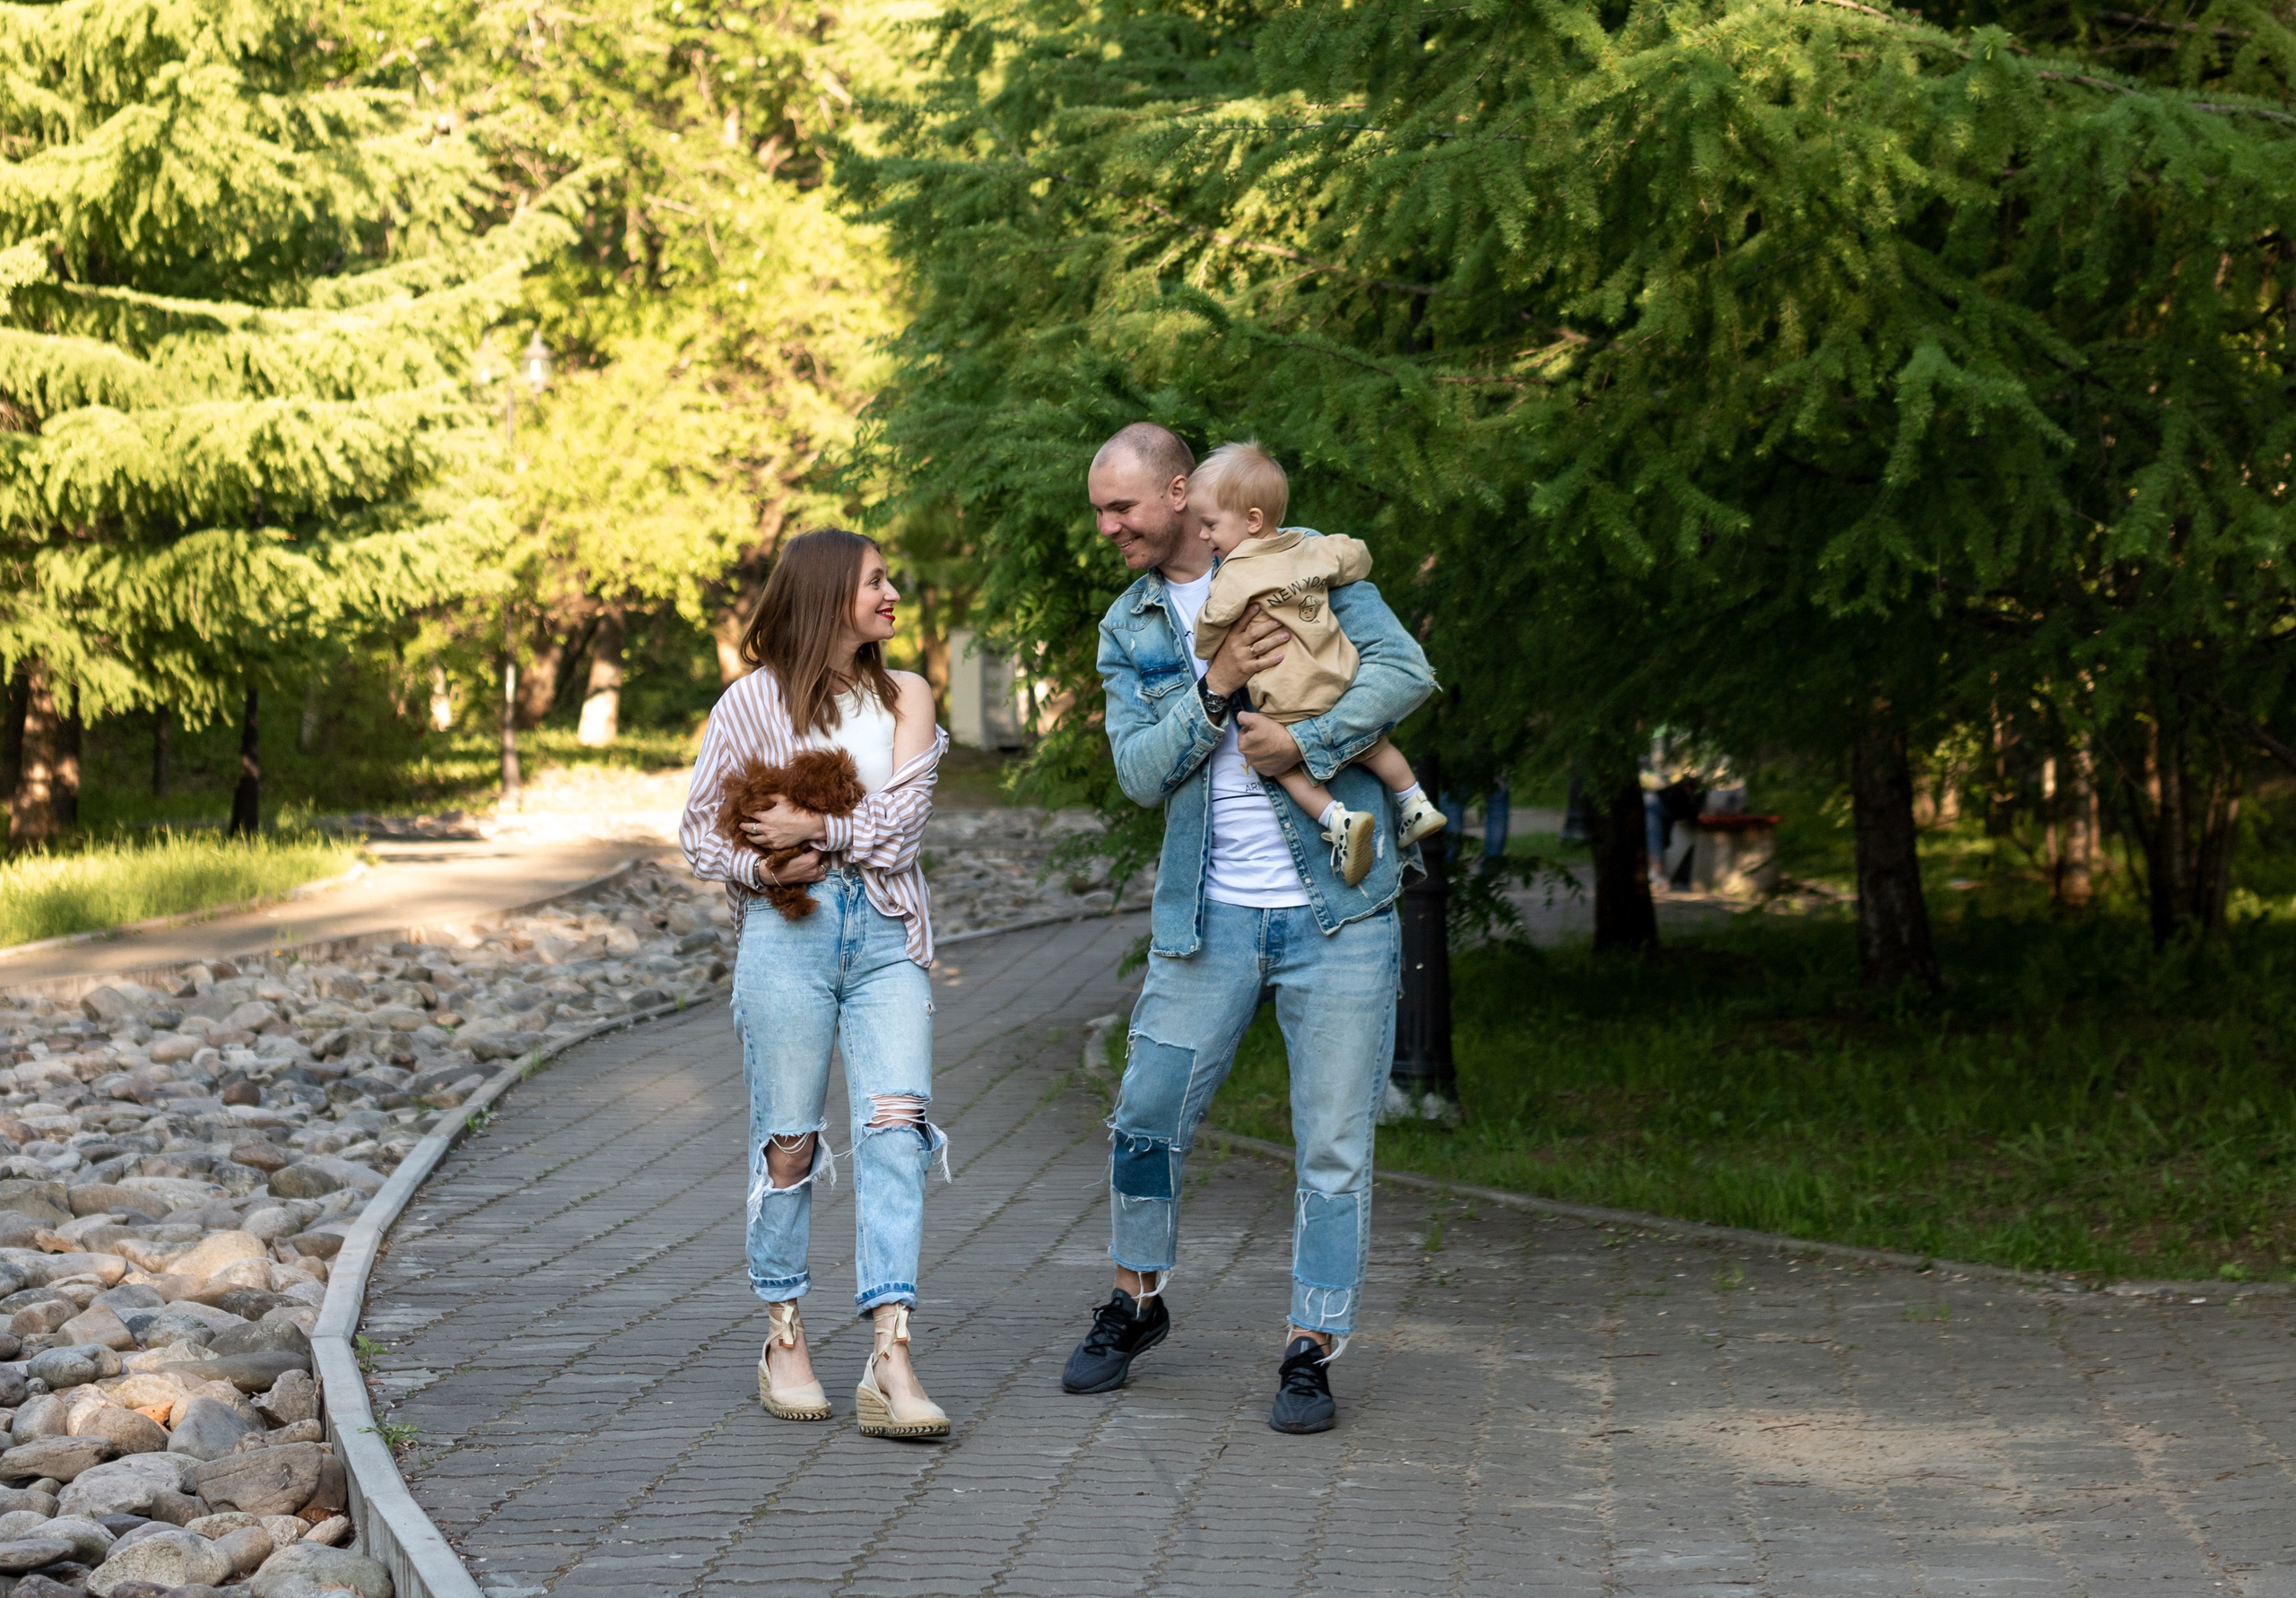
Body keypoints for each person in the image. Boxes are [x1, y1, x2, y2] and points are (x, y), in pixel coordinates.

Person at [1063, 421, 1436, 1434]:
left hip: (1339, 913)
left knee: (1333, 1148)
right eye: (1101, 508)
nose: (1108, 527)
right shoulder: (1132, 625)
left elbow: (1405, 672)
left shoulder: (1307, 567)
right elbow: (1142, 772)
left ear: (1181, 493)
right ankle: (1135, 1302)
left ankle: (1311, 1350)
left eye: (1121, 507)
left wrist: (1304, 741)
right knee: (1145, 1116)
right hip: (1207, 919)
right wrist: (1217, 683)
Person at [680, 527, 954, 1442]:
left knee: (896, 1128)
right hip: (785, 932)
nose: (891, 594)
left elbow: (902, 832)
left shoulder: (906, 694)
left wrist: (814, 829)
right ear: (830, 593)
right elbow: (702, 835)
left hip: (883, 934)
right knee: (789, 1143)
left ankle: (890, 1351)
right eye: (876, 580)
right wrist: (766, 870)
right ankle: (783, 1333)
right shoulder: (748, 704)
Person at [1187, 440, 1446, 887]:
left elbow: (1210, 631)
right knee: (1373, 744)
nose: (1204, 536)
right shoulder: (1310, 548)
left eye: (1209, 525)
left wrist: (1212, 642)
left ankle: (1339, 820)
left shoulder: (1234, 572)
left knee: (1281, 765)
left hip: (1290, 697)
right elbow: (1358, 558)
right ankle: (1415, 802)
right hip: (1340, 680)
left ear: (1251, 520)